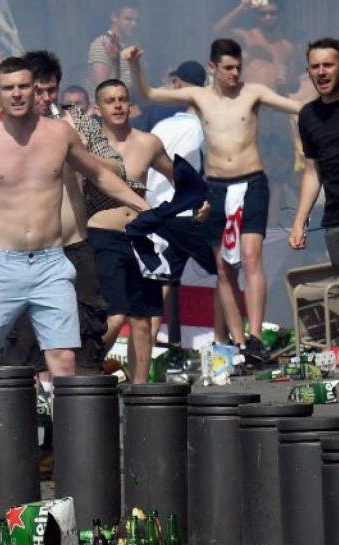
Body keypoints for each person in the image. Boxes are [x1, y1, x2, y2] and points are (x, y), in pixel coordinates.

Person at [0, 57, 150, 461]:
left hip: (53, 262)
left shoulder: (59, 134)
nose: (17, 94)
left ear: (36, 90)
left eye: (24, 87)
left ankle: (71, 454)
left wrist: (145, 207)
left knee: (63, 360)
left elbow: (102, 176)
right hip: (4, 263)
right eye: (9, 88)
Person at [126, 39, 301, 362]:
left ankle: (256, 334)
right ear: (213, 68)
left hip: (252, 181)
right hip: (218, 187)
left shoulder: (253, 93)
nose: (235, 74)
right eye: (228, 68)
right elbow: (149, 94)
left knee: (251, 257)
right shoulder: (200, 96)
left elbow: (296, 106)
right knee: (224, 268)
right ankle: (238, 340)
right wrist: (134, 65)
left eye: (238, 68)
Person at [0, 50, 114, 387]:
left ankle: (81, 426)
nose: (48, 98)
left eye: (53, 90)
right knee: (24, 347)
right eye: (41, 90)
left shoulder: (76, 121)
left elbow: (116, 168)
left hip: (75, 247)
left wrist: (76, 147)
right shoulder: (8, 130)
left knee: (86, 341)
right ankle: (37, 428)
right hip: (26, 251)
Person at [92, 80, 174, 385]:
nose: (117, 105)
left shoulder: (147, 143)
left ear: (130, 105)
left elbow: (177, 174)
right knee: (114, 316)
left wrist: (197, 199)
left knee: (143, 318)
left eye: (122, 99)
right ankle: (86, 373)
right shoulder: (87, 146)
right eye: (110, 100)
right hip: (103, 234)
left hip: (140, 238)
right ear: (97, 108)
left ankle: (140, 391)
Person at [144, 63, 223, 364]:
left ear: (179, 85)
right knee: (226, 272)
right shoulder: (202, 129)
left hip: (160, 214)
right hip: (190, 215)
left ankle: (148, 351)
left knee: (164, 280)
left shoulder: (161, 127)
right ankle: (223, 345)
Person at [291, 39, 339, 308]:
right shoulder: (308, 115)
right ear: (308, 71)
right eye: (315, 66)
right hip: (335, 223)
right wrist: (300, 221)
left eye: (328, 65)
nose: (321, 72)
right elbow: (312, 171)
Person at [212, 0, 295, 90]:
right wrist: (240, 9)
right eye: (263, 14)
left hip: (276, 100)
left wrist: (289, 81)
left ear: (280, 16)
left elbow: (295, 83)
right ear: (257, 16)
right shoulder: (247, 37)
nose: (268, 17)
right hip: (250, 100)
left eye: (273, 13)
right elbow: (217, 32)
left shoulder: (287, 47)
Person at [87, 4, 140, 88]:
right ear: (114, 17)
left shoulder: (131, 45)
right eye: (128, 19)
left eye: (136, 20)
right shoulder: (102, 44)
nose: (134, 24)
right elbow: (102, 86)